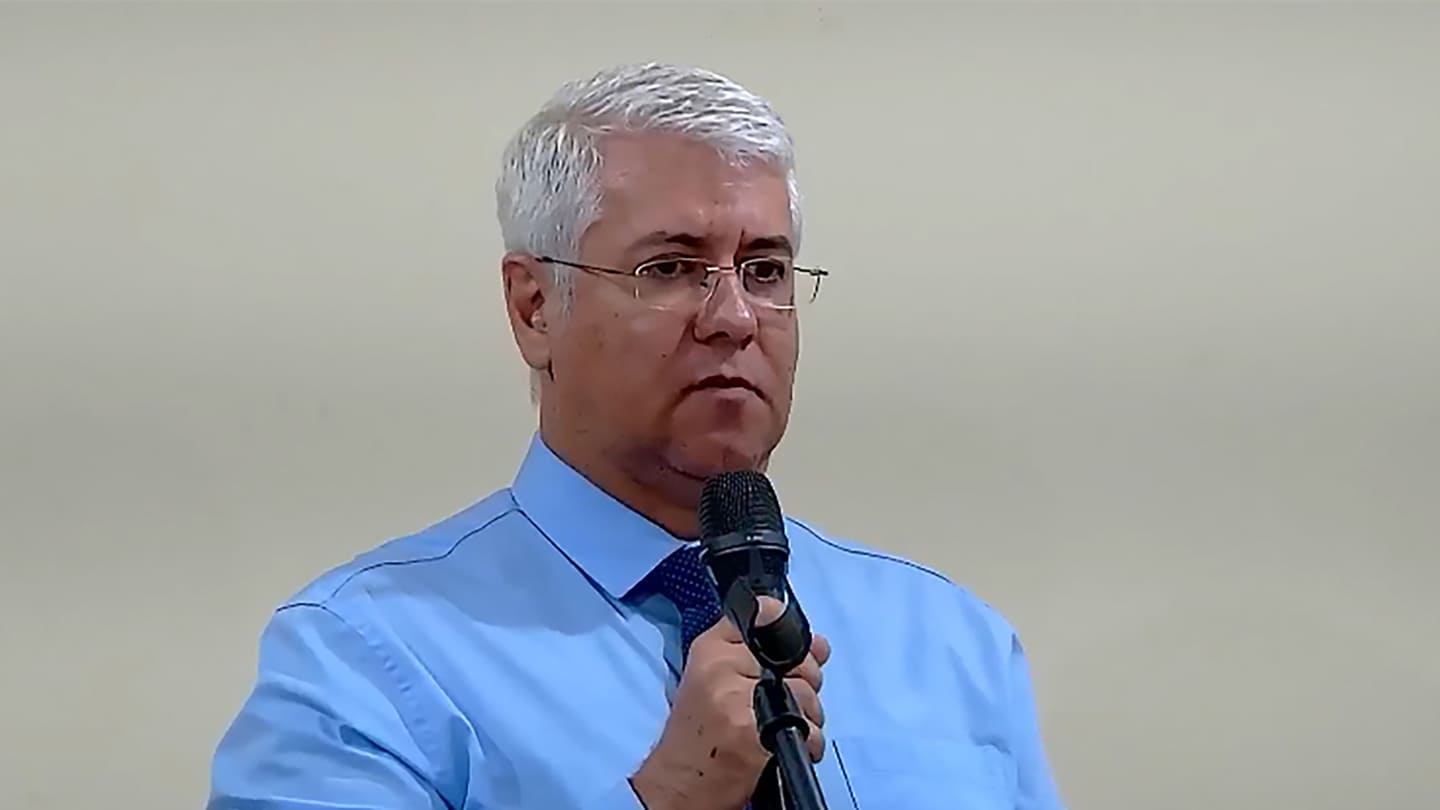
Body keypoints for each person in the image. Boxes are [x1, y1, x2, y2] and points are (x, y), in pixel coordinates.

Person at [207, 62, 1066, 810]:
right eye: (671, 269)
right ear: (534, 308)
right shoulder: (365, 657)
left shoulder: (952, 644)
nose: (734, 317)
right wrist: (669, 798)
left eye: (765, 270)